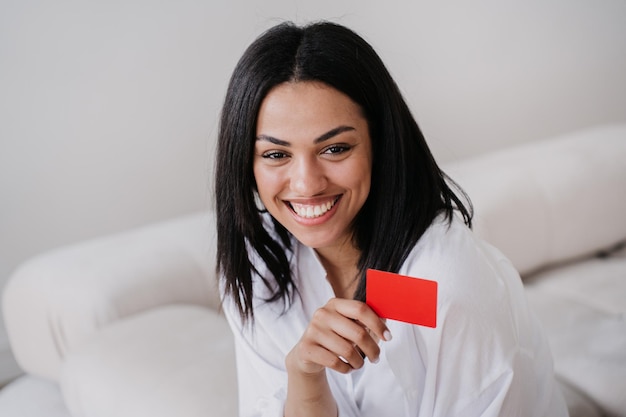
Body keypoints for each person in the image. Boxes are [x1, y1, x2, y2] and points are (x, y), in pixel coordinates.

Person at [214, 21, 568, 417]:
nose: (307, 183)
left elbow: (436, 300)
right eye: (276, 154)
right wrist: (305, 378)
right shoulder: (260, 265)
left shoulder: (439, 284)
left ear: (380, 144)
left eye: (335, 148)